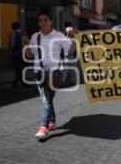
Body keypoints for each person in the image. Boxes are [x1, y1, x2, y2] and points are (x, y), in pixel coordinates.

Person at [25, 12, 77, 140]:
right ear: (38, 23)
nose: (43, 22)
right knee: (47, 99)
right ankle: (51, 122)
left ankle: (44, 127)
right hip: (39, 73)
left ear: (51, 21)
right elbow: (30, 55)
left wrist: (73, 38)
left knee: (46, 99)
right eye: (40, 20)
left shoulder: (58, 36)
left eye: (45, 20)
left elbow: (70, 51)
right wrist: (25, 43)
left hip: (54, 74)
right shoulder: (35, 36)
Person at [8, 22, 30, 90]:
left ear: (12, 27)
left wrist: (9, 44)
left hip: (15, 54)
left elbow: (12, 45)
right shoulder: (24, 33)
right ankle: (14, 85)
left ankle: (27, 86)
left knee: (18, 70)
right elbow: (29, 42)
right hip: (23, 54)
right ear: (19, 27)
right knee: (19, 70)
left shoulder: (12, 34)